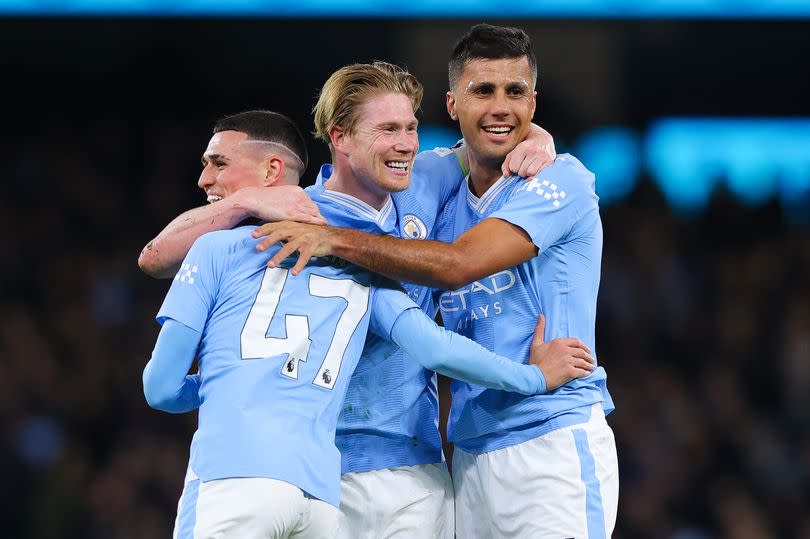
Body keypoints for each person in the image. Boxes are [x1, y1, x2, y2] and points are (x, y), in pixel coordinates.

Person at [139, 65, 565, 537]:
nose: (405, 143)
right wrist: (244, 201)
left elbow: (488, 135)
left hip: (409, 464)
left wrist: (537, 138)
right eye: (388, 130)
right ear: (340, 138)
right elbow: (156, 258)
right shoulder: (302, 222)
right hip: (329, 473)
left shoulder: (424, 177)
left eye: (410, 128)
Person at [255, 24, 619, 538]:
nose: (501, 107)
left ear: (534, 102)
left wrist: (333, 241)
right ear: (452, 104)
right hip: (468, 455)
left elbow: (457, 265)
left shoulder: (563, 181)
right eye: (483, 91)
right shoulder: (436, 189)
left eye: (515, 93)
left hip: (551, 435)